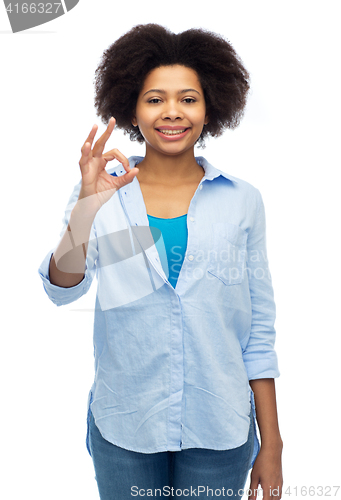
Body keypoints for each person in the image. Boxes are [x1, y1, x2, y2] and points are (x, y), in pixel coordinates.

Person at [39, 24, 283, 500]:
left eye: (188, 98)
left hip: (221, 426)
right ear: (132, 106)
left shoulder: (242, 201)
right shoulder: (100, 190)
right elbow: (62, 286)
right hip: (125, 422)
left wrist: (272, 441)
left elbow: (258, 331)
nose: (172, 112)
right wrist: (87, 207)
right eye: (155, 99)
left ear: (210, 106)